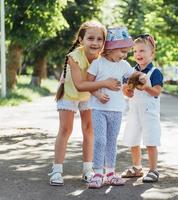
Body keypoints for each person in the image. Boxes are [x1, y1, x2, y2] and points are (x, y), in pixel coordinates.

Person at [48, 21, 121, 186]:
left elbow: (97, 80)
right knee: (66, 129)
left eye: (99, 39)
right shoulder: (74, 57)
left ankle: (89, 170)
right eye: (90, 38)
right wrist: (104, 85)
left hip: (88, 95)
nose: (95, 43)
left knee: (89, 130)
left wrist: (99, 91)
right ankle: (57, 170)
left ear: (104, 42)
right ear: (81, 40)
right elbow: (80, 84)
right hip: (69, 92)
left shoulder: (103, 59)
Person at [87, 27, 134, 189]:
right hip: (99, 110)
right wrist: (98, 94)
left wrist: (138, 79)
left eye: (126, 52)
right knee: (100, 140)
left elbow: (133, 76)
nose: (125, 55)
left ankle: (111, 173)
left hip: (117, 110)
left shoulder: (124, 64)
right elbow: (89, 84)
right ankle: (97, 173)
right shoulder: (97, 63)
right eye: (122, 51)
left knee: (112, 142)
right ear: (111, 48)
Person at [122, 34, 163, 183]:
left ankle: (153, 170)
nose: (138, 54)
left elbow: (157, 92)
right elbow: (128, 92)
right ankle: (137, 167)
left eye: (142, 51)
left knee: (151, 140)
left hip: (149, 111)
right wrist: (127, 90)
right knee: (133, 139)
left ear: (152, 53)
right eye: (135, 51)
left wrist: (146, 87)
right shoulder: (131, 71)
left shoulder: (155, 72)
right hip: (134, 111)